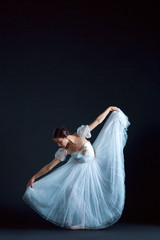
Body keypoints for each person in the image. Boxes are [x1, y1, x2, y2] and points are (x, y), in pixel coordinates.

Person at [22, 106, 131, 230]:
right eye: (56, 143)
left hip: (94, 165)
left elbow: (98, 121)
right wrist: (34, 177)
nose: (58, 145)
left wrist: (109, 109)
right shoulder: (65, 150)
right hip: (78, 168)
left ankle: (90, 219)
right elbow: (49, 167)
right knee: (71, 191)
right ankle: (84, 220)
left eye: (59, 142)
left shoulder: (81, 134)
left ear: (66, 136)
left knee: (95, 191)